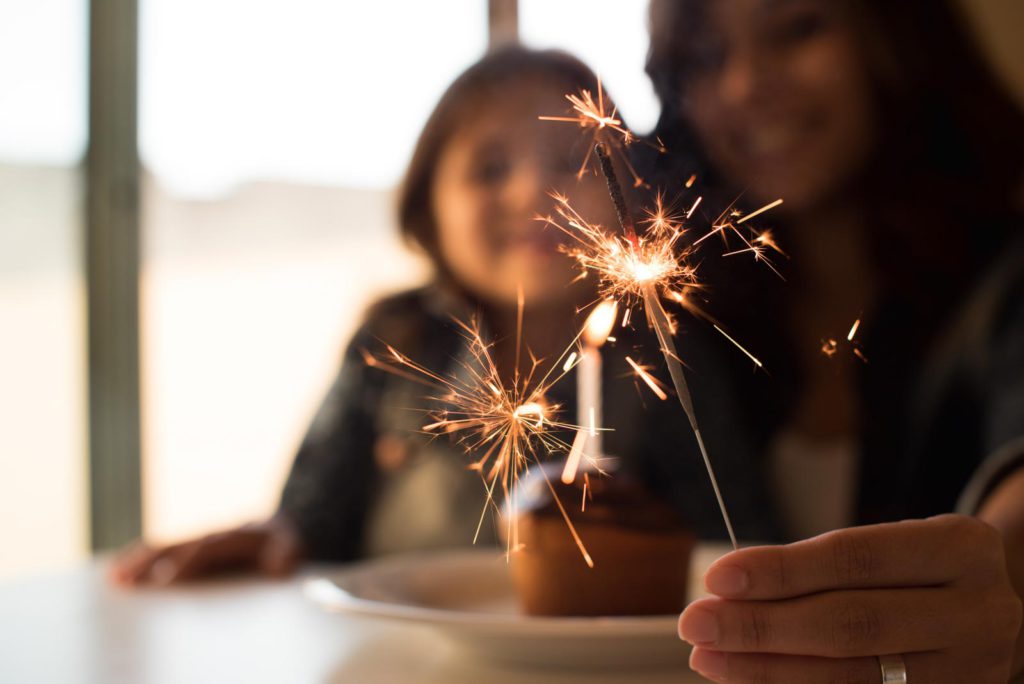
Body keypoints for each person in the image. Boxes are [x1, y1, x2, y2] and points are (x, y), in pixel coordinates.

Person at [111, 46, 772, 586]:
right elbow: (313, 514)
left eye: (573, 162)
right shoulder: (394, 339)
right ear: (429, 209)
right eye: (488, 169)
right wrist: (275, 537)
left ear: (630, 193)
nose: (531, 191)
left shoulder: (666, 356)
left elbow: (730, 543)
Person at [645, 0, 1024, 680]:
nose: (745, 84)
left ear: (899, 36)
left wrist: (1004, 577)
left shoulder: (1007, 280)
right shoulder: (687, 322)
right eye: (705, 57)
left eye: (797, 29)